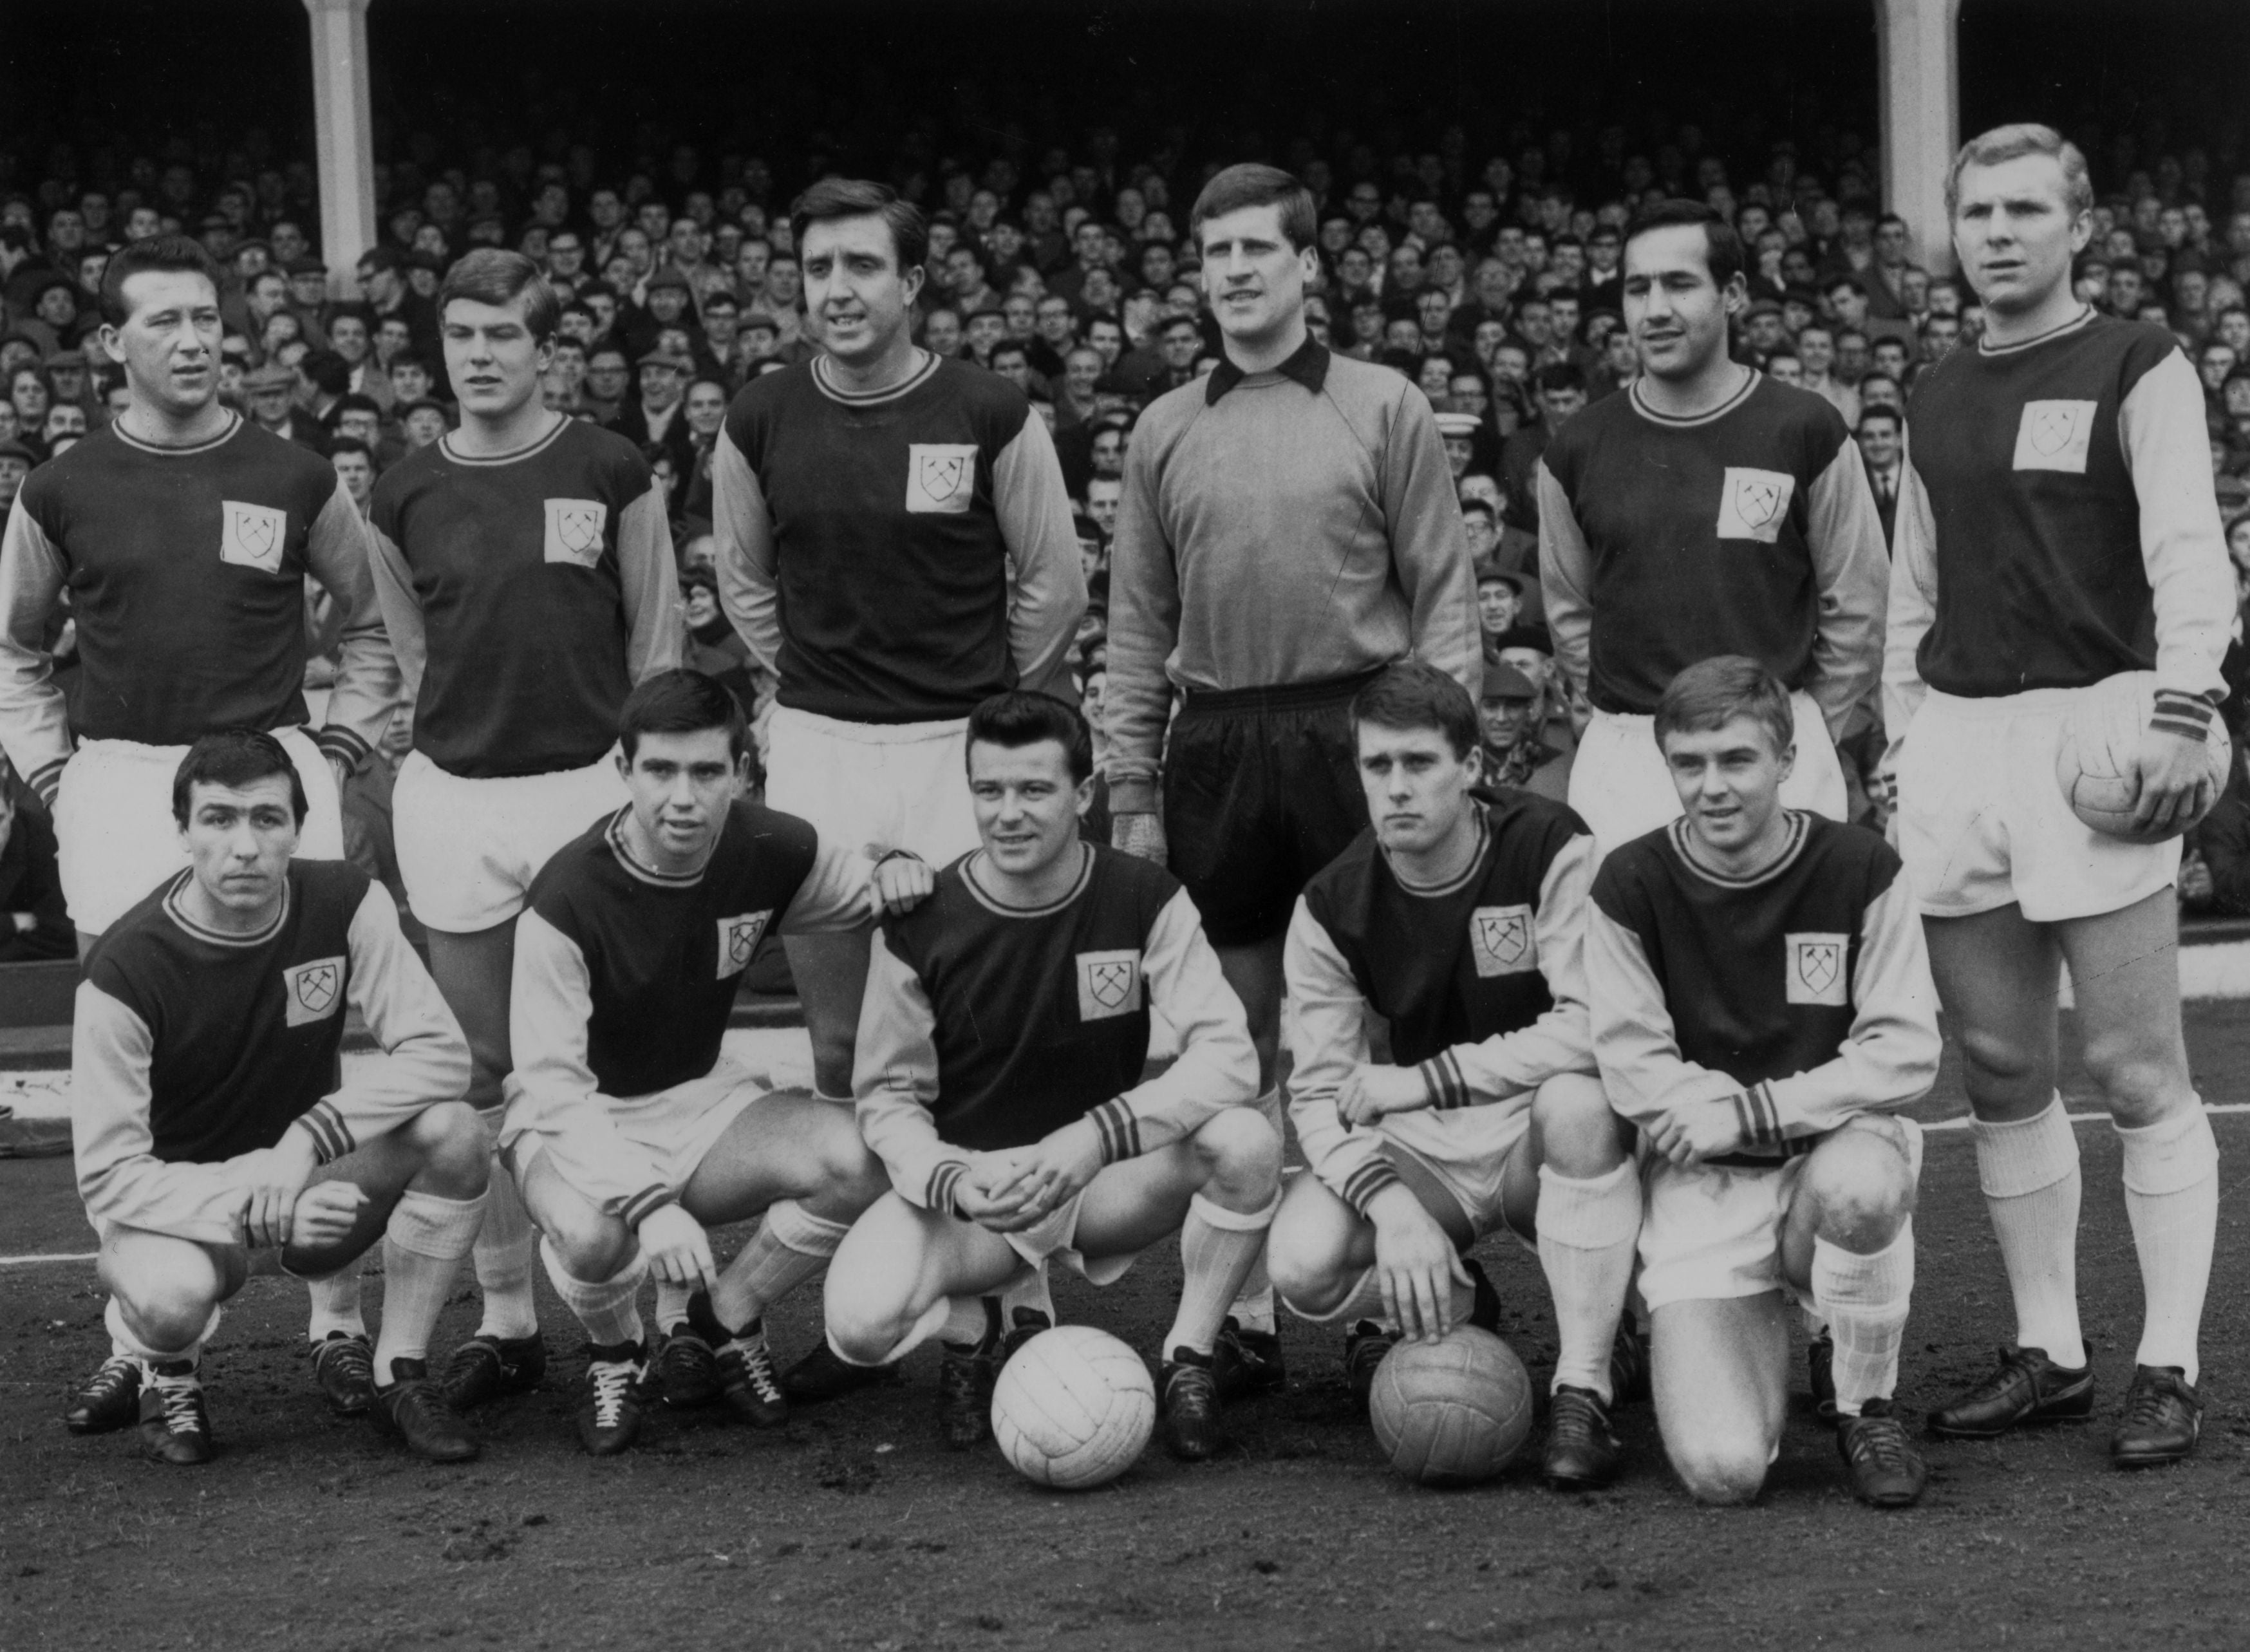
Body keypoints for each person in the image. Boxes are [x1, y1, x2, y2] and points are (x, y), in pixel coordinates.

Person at [1, 234, 401, 1429]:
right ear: (110, 346)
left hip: (270, 768)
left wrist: (338, 747)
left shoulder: (292, 472)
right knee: (137, 1052)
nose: (194, 340)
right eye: (164, 322)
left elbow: (371, 626)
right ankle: (146, 1331)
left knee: (309, 1038)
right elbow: (17, 651)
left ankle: (336, 1324)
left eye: (206, 320)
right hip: (124, 784)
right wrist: (56, 777)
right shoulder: (62, 486)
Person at [1884, 126, 2231, 1468]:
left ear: (2077, 227)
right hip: (1962, 740)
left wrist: (2180, 704)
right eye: (1976, 211)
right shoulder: (1932, 391)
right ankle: (2051, 1348)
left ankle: (2169, 1358)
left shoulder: (2137, 360)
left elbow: (2189, 553)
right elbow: (1913, 584)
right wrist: (1909, 740)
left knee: (2137, 1065)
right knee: (2003, 1065)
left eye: (2027, 208)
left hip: (2095, 727)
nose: (1998, 231)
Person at [1104, 164, 1480, 1398]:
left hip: (1351, 728)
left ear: (1309, 265)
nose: (1236, 271)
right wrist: (1130, 786)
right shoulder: (1165, 425)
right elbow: (1135, 624)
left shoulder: (1382, 404)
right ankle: (1247, 1316)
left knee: (1373, 1022)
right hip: (1216, 743)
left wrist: (1439, 749)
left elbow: (1444, 593)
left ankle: (1383, 1291)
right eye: (1215, 252)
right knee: (1237, 1035)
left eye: (1259, 248)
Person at [364, 249, 684, 1416]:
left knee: (609, 1058)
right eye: (462, 336)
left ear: (545, 347)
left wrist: (645, 782)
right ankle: (507, 1319)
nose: (482, 356)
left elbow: (657, 638)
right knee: (486, 1069)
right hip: (456, 795)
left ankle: (655, 1312)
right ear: (439, 346)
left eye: (504, 335)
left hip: (587, 789)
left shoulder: (606, 463)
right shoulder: (399, 488)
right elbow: (409, 653)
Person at [823, 691, 1280, 1461]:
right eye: (988, 790)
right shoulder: (922, 919)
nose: (1009, 813)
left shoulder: (1143, 896)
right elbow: (889, 1097)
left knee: (1245, 1142)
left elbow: (1229, 1053)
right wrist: (950, 1181)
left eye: (1034, 789)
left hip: (1099, 1178)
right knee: (858, 1324)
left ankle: (1190, 1357)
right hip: (981, 1192)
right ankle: (981, 1325)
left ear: (1084, 793)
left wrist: (1096, 1138)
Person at [711, 182, 1080, 1123]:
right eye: (818, 267)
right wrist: (810, 675)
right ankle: (854, 1246)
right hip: (819, 748)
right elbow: (745, 582)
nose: (837, 288)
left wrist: (993, 699)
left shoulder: (990, 409)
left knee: (966, 1024)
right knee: (837, 1038)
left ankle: (990, 1264)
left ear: (911, 281)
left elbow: (1051, 583)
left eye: (863, 265)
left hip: (956, 750)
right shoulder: (758, 415)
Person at [502, 670, 933, 1454]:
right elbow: (554, 1091)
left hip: (702, 1100)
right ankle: (618, 1350)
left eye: (706, 771)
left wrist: (900, 868)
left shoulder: (776, 846)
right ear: (623, 771)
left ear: (742, 770)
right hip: (576, 1117)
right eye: (660, 770)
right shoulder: (565, 897)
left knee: (865, 1155)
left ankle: (726, 1311)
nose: (682, 796)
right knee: (601, 1237)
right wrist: (648, 1203)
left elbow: (870, 889)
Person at [1266, 662, 1640, 1488]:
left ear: (1470, 767)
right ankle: (1456, 1292)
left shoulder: (1552, 843)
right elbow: (1320, 1092)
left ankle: (1586, 1381)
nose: (1396, 787)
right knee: (1302, 1261)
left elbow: (1593, 1028)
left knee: (1580, 1104)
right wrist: (1392, 1207)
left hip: (1537, 1128)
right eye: (1377, 766)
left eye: (1420, 763)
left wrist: (1432, 1077)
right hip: (1431, 1151)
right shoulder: (1331, 904)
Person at [70, 729, 487, 1465]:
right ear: (182, 831)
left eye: (267, 818)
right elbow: (107, 1176)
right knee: (169, 1297)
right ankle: (167, 1372)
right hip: (182, 1214)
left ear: (299, 827)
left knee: (454, 1131)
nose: (244, 844)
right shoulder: (124, 969)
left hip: (309, 1183)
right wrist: (260, 1195)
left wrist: (304, 1143)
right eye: (219, 818)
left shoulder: (346, 901)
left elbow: (441, 1054)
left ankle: (401, 1370)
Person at [1587, 657, 1939, 1508]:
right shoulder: (1628, 882)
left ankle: (1863, 1400)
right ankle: (1754, 1326)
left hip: (1825, 1158)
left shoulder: (1858, 866)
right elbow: (1630, 1061)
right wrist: (1702, 1115)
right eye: (1688, 763)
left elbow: (1904, 1050)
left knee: (1863, 1185)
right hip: (1704, 1185)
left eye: (1735, 759)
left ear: (1784, 758)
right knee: (1723, 1471)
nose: (1710, 786)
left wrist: (1750, 1107)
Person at [1539, 200, 1889, 856]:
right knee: (1633, 956)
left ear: (1732, 293)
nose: (1655, 308)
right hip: (1631, 756)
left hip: (1774, 742)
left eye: (1679, 283)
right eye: (1637, 288)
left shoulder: (1805, 428)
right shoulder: (1578, 445)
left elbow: (1860, 604)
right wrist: (1625, 726)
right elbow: (1570, 612)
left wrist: (1802, 728)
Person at [1478, 653, 1571, 799]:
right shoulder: (1466, 761)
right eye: (1491, 707)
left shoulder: (1554, 763)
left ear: (1529, 711)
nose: (1501, 718)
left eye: (1513, 707)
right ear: (1478, 711)